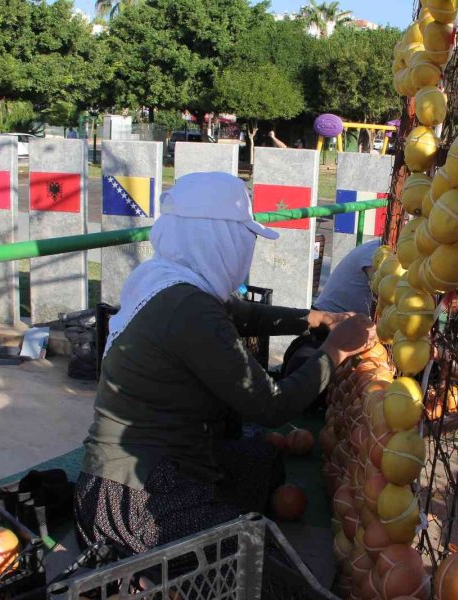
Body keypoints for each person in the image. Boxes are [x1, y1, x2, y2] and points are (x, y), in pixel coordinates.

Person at [75, 172, 376, 554]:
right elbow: (271, 405)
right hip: (135, 495)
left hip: (144, 468)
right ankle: (139, 564)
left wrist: (316, 319)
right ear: (217, 239)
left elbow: (242, 312)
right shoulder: (188, 306)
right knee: (264, 574)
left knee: (263, 462)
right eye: (242, 240)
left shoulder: (163, 277)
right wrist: (337, 349)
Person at [282, 239, 380, 377]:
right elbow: (381, 291)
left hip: (339, 328)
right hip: (326, 329)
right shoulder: (376, 253)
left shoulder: (378, 251)